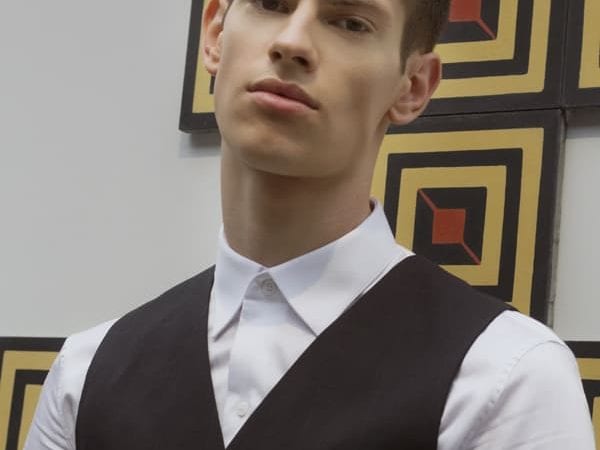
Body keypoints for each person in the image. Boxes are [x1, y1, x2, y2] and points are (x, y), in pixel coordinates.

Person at [25, 0, 595, 448]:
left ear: (413, 86)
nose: (292, 42)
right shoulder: (85, 373)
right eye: (271, 3)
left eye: (349, 21)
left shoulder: (506, 377)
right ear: (216, 34)